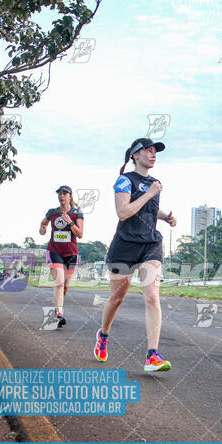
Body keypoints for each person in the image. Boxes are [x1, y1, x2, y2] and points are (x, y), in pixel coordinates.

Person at [94, 137, 176, 372]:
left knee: (152, 295)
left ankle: (152, 355)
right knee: (117, 298)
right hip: (125, 245)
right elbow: (123, 212)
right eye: (148, 151)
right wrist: (150, 193)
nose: (153, 155)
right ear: (135, 156)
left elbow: (149, 208)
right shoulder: (124, 180)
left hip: (150, 243)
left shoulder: (154, 183)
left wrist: (165, 217)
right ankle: (104, 334)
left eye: (155, 152)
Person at [39, 185, 84, 328]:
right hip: (54, 251)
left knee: (65, 286)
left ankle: (57, 307)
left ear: (70, 196)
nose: (61, 196)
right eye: (60, 193)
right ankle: (59, 314)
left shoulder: (77, 213)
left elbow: (80, 234)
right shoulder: (52, 212)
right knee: (59, 283)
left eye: (65, 193)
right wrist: (43, 228)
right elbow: (43, 223)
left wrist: (69, 222)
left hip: (71, 253)